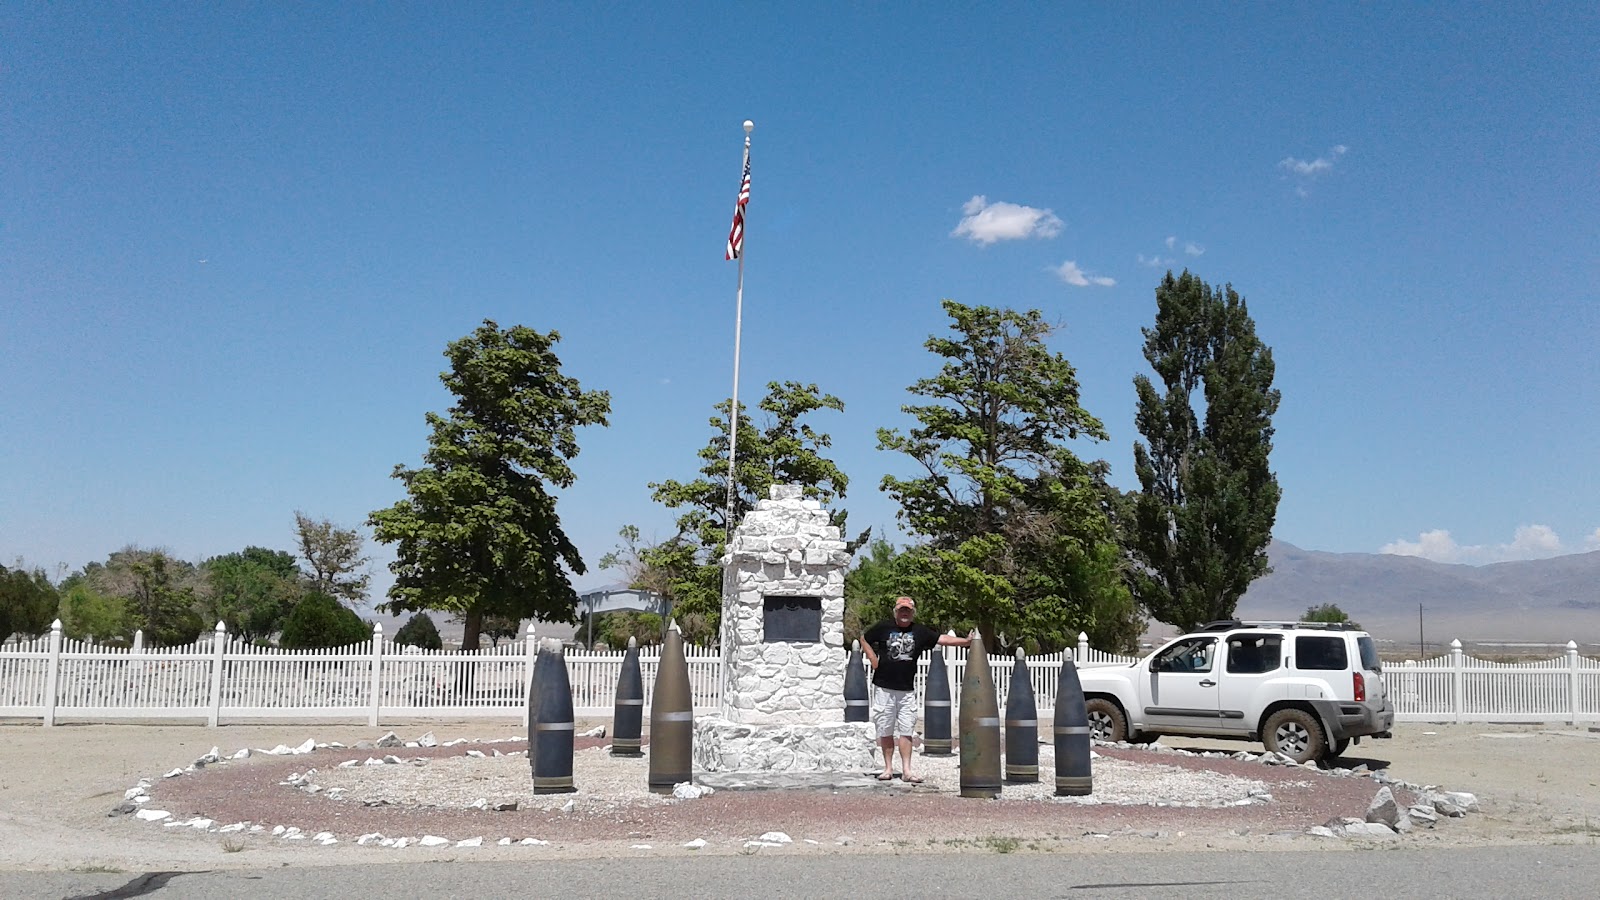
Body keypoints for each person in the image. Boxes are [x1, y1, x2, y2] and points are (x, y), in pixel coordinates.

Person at [860, 596, 972, 783]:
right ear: (895, 612)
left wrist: (965, 641)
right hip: (884, 688)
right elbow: (864, 638)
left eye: (908, 611)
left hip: (906, 690)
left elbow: (942, 638)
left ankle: (907, 770)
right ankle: (888, 768)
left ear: (912, 613)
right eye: (901, 610)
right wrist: (872, 657)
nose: (904, 613)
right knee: (885, 730)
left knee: (906, 730)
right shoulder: (883, 627)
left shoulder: (919, 631)